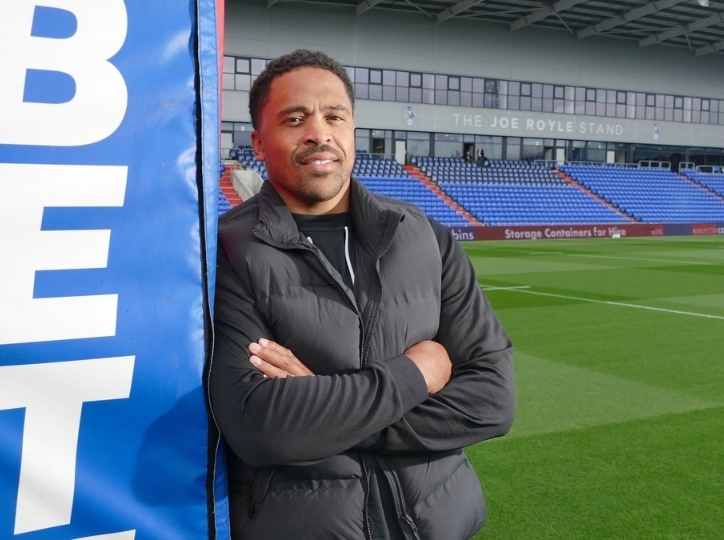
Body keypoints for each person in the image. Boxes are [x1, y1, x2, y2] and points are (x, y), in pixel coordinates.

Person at [209, 49, 516, 540]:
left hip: (440, 525)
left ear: (352, 129)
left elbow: (492, 401)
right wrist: (417, 373)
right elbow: (262, 426)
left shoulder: (427, 238)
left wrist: (329, 414)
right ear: (259, 144)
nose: (319, 132)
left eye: (335, 116)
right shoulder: (225, 251)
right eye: (295, 118)